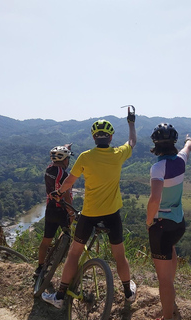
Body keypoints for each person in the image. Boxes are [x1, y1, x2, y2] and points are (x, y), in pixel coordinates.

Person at [42, 106, 137, 308]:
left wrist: (59, 192)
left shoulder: (85, 157)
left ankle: (59, 297)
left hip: (89, 214)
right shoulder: (119, 153)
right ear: (110, 138)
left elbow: (69, 182)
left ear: (94, 138)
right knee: (120, 255)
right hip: (112, 215)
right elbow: (132, 142)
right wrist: (131, 122)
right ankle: (128, 292)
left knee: (74, 254)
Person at [146, 123, 191, 320]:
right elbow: (188, 147)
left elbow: (155, 199)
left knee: (163, 279)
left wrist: (149, 221)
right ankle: (170, 296)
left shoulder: (158, 168)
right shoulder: (181, 160)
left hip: (161, 225)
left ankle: (167, 316)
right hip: (178, 223)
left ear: (155, 144)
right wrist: (189, 139)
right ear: (173, 142)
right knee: (170, 250)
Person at [34, 144, 74, 278]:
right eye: (68, 158)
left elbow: (55, 160)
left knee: (46, 240)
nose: (68, 161)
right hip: (62, 209)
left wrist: (64, 147)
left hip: (50, 208)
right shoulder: (64, 174)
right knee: (68, 236)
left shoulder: (49, 169)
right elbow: (67, 194)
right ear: (64, 160)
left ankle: (39, 267)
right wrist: (71, 212)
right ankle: (63, 262)